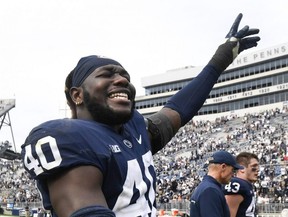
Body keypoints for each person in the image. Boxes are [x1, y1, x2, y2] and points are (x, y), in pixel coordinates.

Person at [21, 13, 260, 217]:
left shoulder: (134, 131)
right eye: (107, 74)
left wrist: (220, 60)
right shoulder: (70, 139)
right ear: (77, 95)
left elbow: (178, 110)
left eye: (125, 75)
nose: (122, 79)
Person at [190, 150, 244, 217]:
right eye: (232, 170)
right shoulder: (210, 190)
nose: (233, 174)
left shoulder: (206, 186)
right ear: (223, 167)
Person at [223, 152, 259, 217]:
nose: (257, 170)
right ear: (242, 168)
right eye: (254, 166)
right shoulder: (237, 185)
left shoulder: (246, 186)